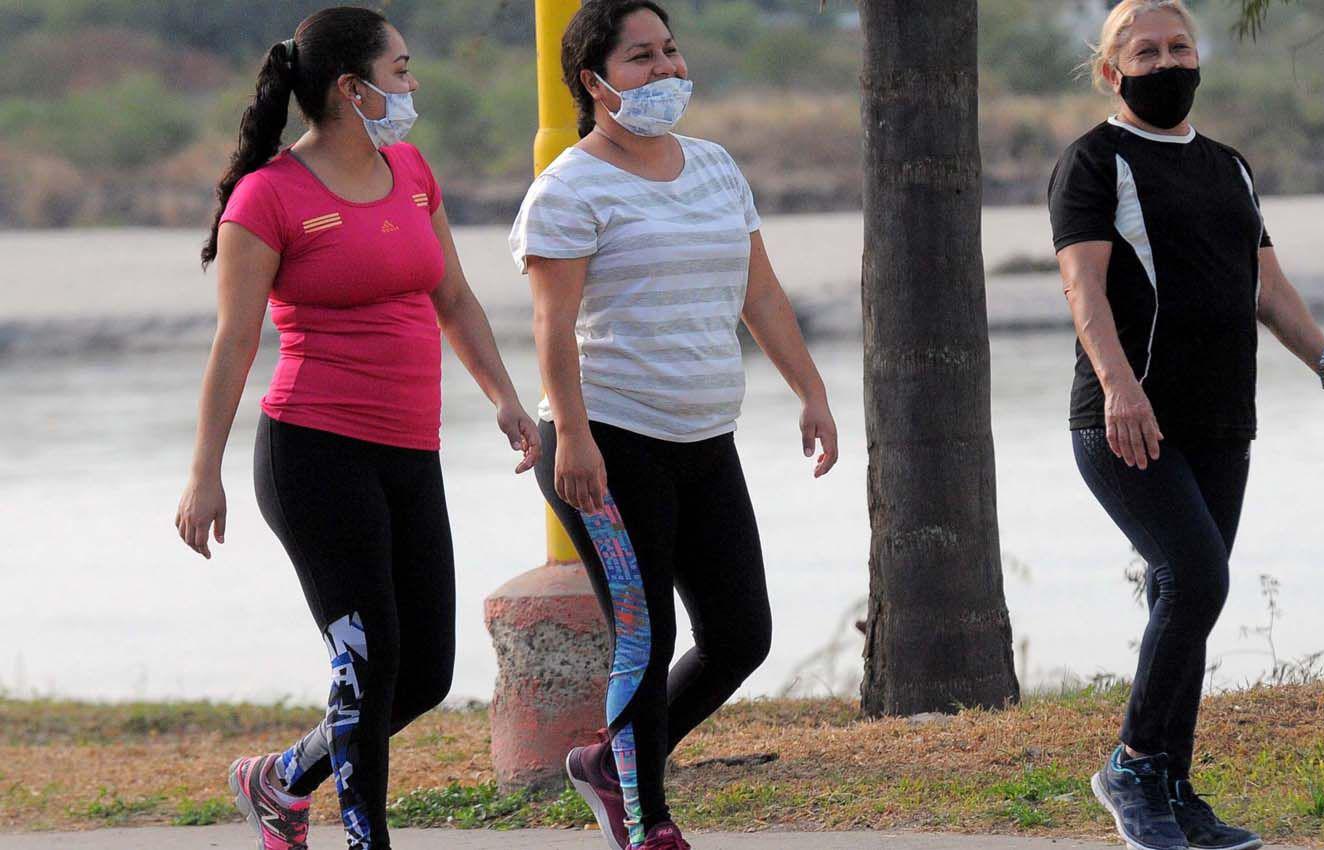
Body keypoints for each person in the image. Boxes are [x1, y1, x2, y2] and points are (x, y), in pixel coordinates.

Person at [173, 8, 540, 850]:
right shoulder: (267, 196)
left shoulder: (410, 170)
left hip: (412, 450)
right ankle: (365, 839)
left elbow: (453, 298)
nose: (414, 87)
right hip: (313, 453)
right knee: (368, 665)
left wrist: (505, 398)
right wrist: (205, 472)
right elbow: (235, 341)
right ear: (352, 88)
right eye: (402, 71)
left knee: (424, 675)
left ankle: (278, 779)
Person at [1048, 3, 1324, 850]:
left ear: (1199, 57)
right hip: (1126, 421)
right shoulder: (1095, 162)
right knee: (1197, 578)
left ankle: (1171, 787)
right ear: (1111, 71)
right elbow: (1083, 292)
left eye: (1179, 47)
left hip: (1220, 423)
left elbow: (1267, 291)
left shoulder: (1229, 167)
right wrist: (1122, 389)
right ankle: (1130, 768)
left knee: (1187, 598)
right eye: (1145, 52)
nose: (1166, 63)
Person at [509, 2, 839, 848]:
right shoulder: (570, 187)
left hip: (704, 437)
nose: (663, 70)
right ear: (594, 81)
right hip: (609, 443)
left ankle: (607, 760)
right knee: (643, 635)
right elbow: (553, 325)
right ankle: (646, 818)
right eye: (639, 58)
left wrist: (810, 390)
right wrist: (573, 437)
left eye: (669, 51)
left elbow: (758, 292)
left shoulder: (715, 168)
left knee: (739, 635)